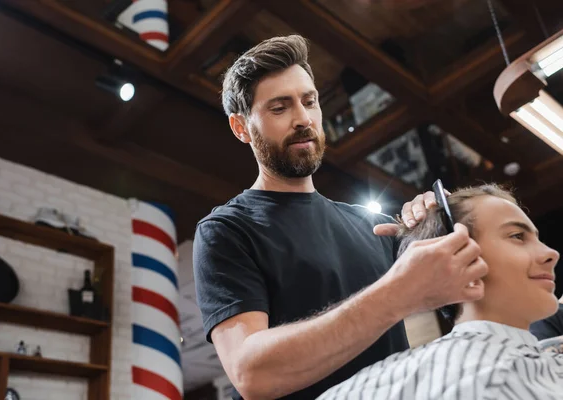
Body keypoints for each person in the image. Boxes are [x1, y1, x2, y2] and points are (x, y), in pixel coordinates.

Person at [192, 35, 487, 400]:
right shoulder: (227, 231)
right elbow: (253, 374)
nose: (303, 119)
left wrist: (436, 226)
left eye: (310, 101)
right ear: (241, 128)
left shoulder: (372, 227)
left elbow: (461, 293)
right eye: (280, 108)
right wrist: (396, 293)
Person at [318, 184, 561, 400]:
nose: (551, 253)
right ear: (456, 261)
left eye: (537, 238)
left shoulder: (376, 383)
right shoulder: (494, 382)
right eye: (517, 236)